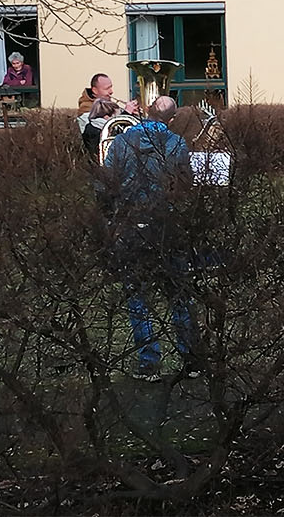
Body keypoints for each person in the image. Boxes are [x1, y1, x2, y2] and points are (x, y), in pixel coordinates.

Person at [101, 95, 197, 381]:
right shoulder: (178, 144)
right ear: (172, 118)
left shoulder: (119, 143)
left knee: (137, 297)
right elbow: (185, 186)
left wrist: (111, 218)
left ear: (147, 113)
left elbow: (105, 186)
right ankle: (191, 360)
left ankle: (149, 362)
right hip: (167, 227)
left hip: (131, 226)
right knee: (179, 295)